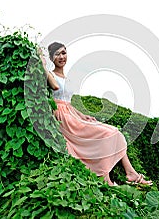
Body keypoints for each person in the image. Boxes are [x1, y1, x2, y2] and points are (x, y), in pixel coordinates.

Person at [42, 41, 152, 186]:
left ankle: (130, 173)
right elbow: (55, 88)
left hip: (70, 114)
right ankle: (106, 175)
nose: (61, 57)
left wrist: (83, 116)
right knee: (107, 134)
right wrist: (42, 65)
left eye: (64, 53)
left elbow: (68, 103)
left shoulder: (66, 78)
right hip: (62, 117)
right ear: (51, 58)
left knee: (114, 132)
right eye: (57, 54)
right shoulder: (50, 75)